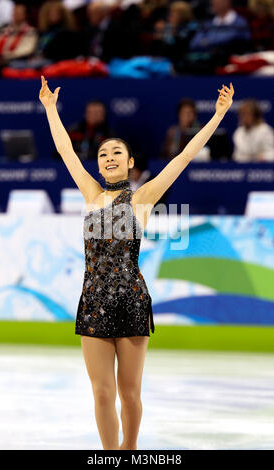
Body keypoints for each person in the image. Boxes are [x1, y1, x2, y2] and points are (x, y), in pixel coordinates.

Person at [39, 74, 234, 450]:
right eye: (102, 154)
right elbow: (65, 150)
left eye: (116, 153)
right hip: (93, 301)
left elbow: (184, 156)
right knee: (100, 394)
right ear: (98, 166)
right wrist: (50, 109)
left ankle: (130, 452)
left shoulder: (143, 197)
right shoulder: (91, 193)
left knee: (129, 394)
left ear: (129, 162)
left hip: (131, 300)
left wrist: (218, 115)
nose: (109, 158)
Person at [0, 3, 38, 77]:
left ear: (25, 15)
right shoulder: (4, 30)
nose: (15, 15)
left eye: (19, 13)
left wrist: (4, 58)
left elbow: (26, 51)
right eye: (14, 12)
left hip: (15, 61)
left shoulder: (30, 32)